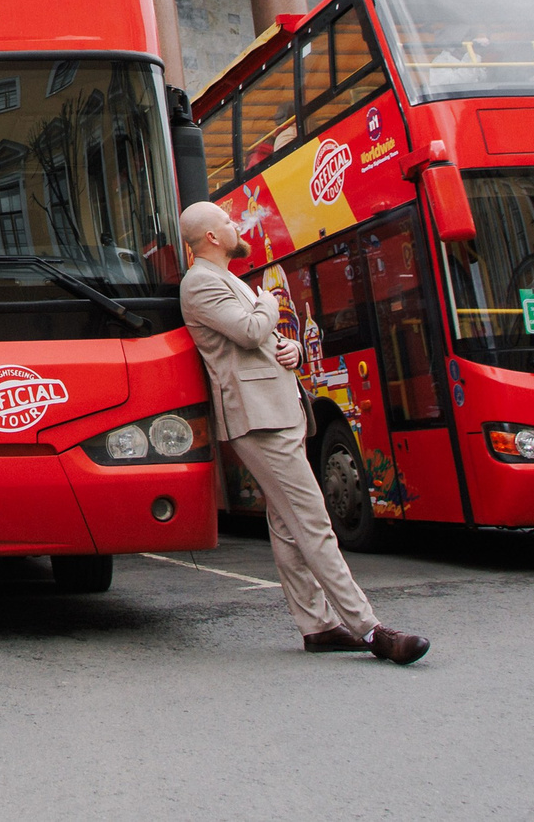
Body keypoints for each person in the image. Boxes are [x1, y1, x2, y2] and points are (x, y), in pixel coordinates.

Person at [178, 200, 429, 664]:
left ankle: (318, 626)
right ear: (211, 237)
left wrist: (291, 347)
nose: (236, 225)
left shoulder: (228, 279)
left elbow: (263, 341)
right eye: (228, 222)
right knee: (313, 521)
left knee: (287, 525)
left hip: (278, 410)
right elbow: (250, 331)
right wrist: (269, 303)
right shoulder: (199, 283)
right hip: (258, 419)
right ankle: (370, 630)